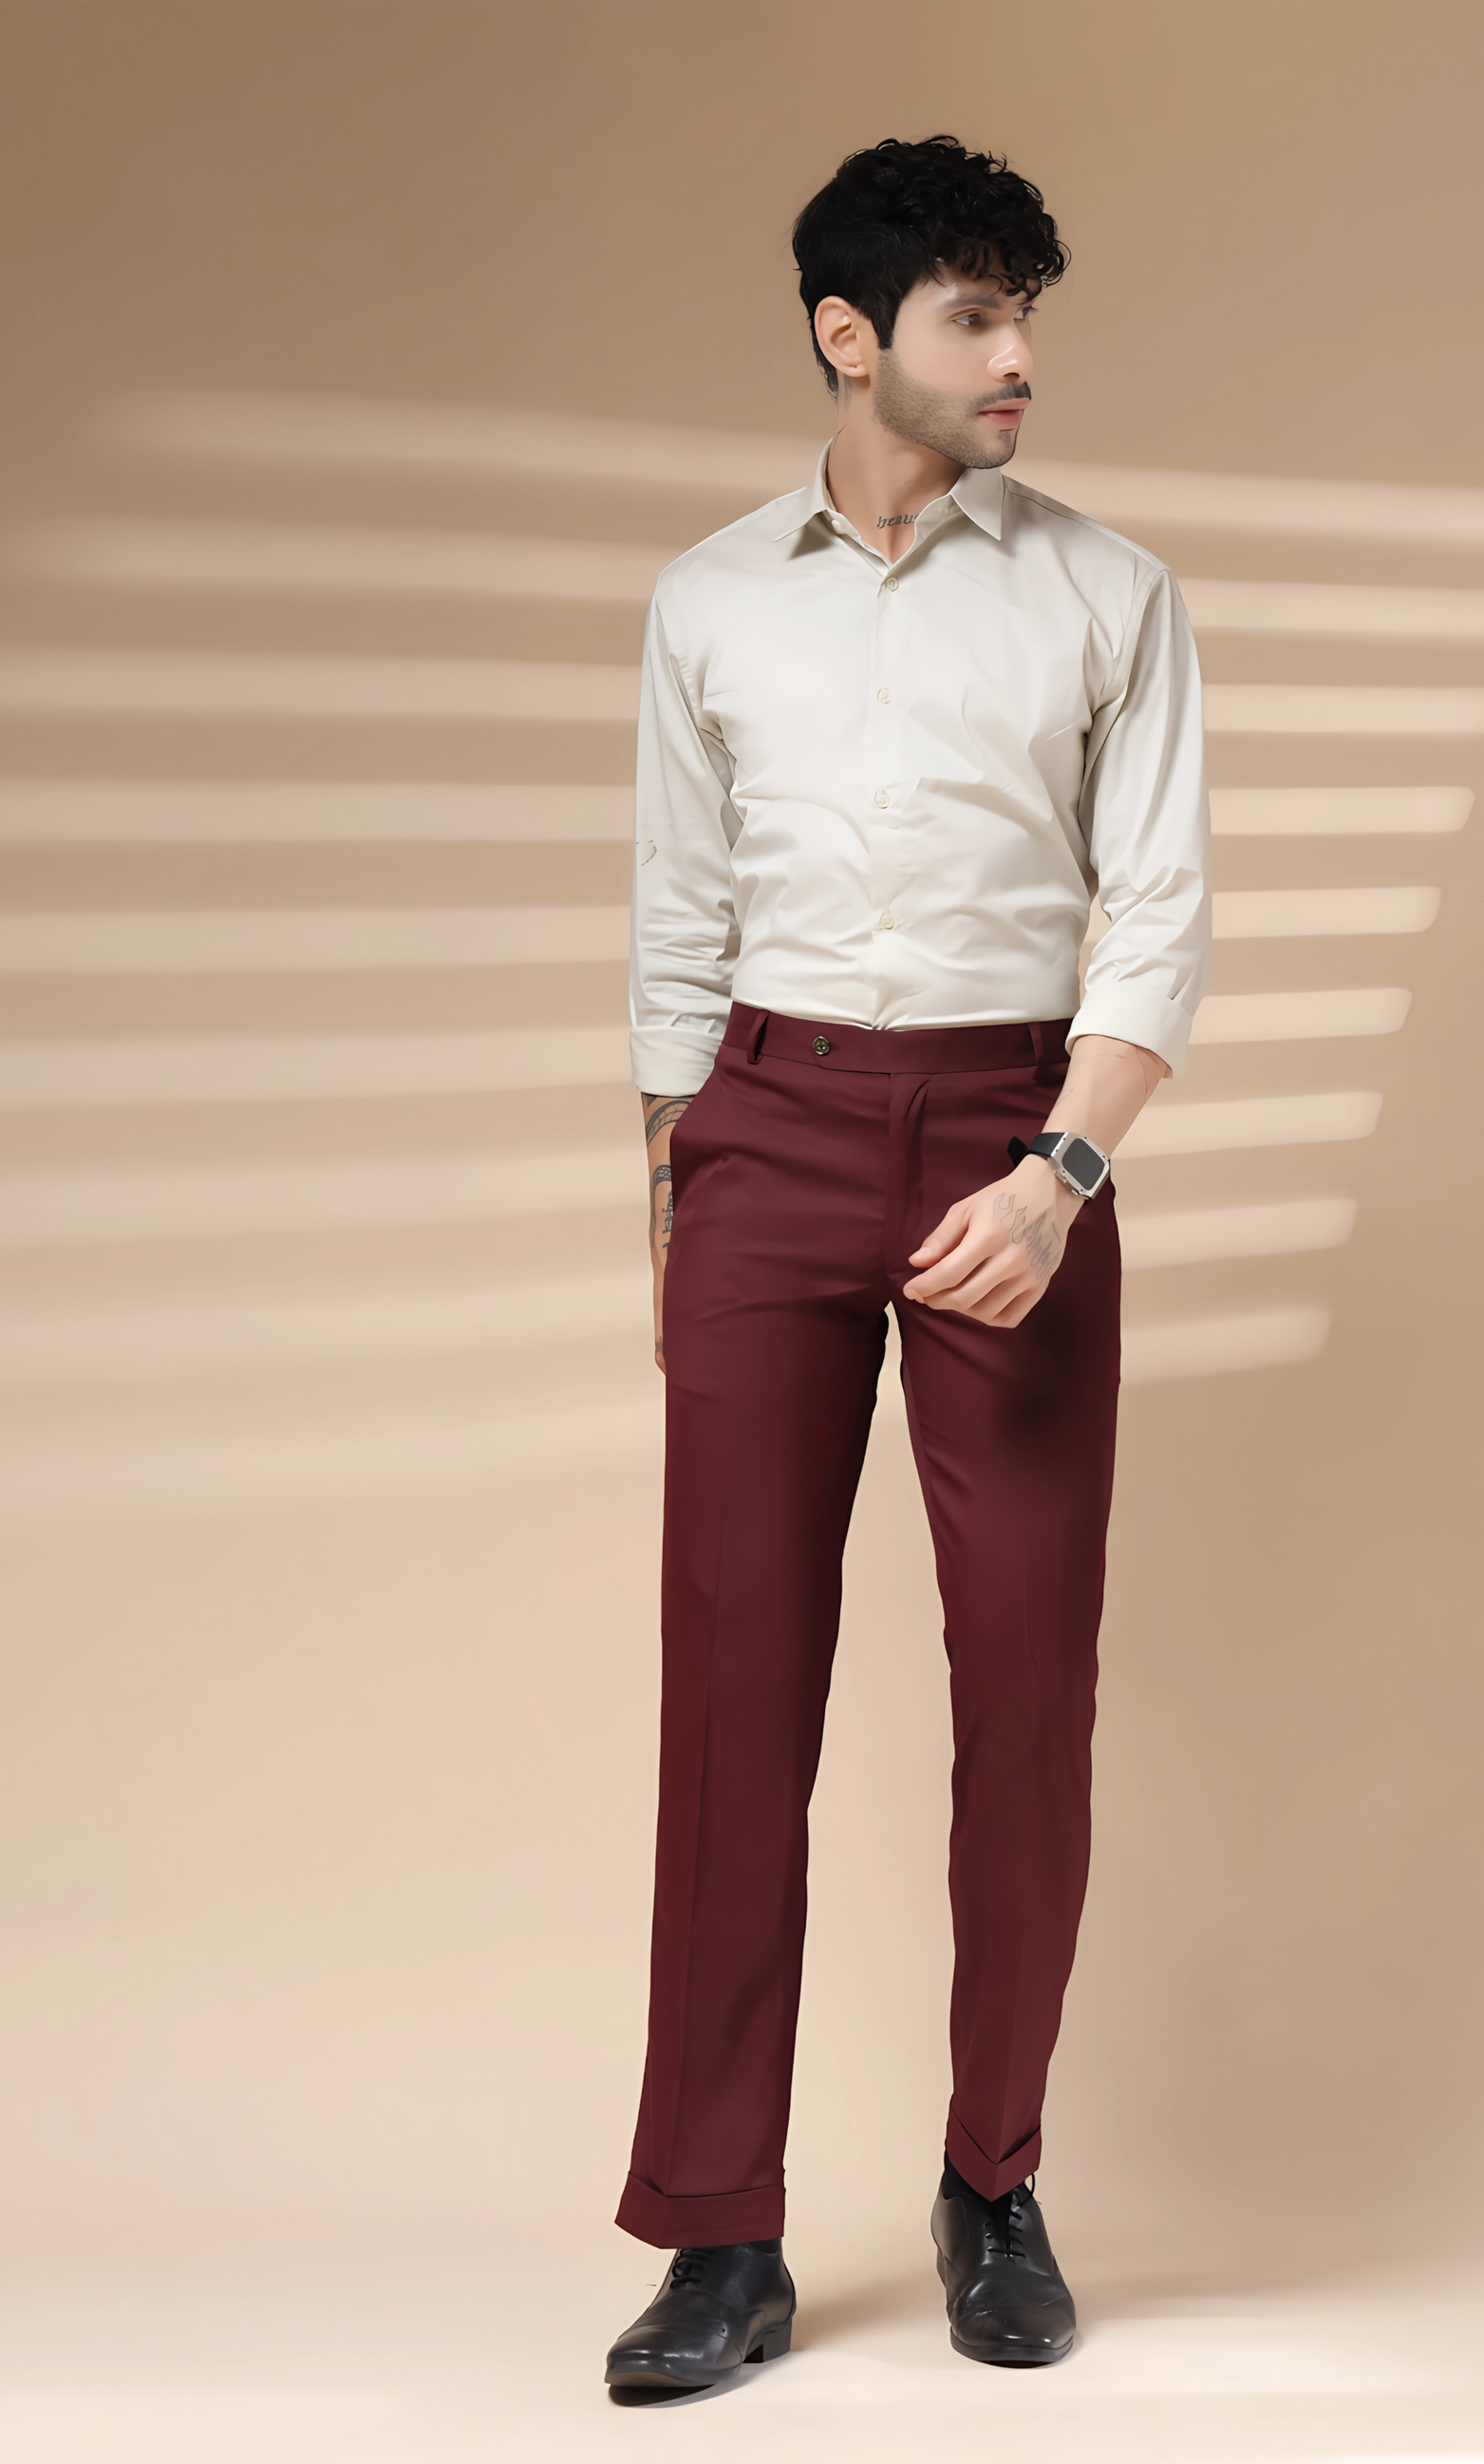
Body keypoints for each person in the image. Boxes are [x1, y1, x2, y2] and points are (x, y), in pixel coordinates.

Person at [604, 133, 1207, 2400]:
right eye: (974, 313)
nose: (1018, 353)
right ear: (850, 338)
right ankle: (717, 2234)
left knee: (1025, 1694)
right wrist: (676, 1202)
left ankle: (992, 2182)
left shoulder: (1107, 593)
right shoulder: (708, 604)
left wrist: (1060, 1174)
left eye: (1024, 309)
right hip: (761, 1136)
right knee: (732, 1697)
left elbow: (1157, 914)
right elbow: (678, 923)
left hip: (1008, 1132)